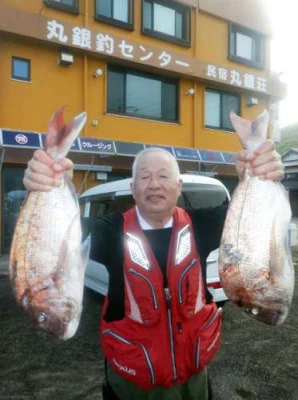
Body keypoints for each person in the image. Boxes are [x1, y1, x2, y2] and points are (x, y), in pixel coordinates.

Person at [23, 141, 284, 400]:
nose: (154, 184)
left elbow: (253, 215)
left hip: (193, 378)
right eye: (144, 177)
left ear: (178, 186)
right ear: (133, 189)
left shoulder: (201, 225)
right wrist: (50, 188)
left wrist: (260, 176)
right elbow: (59, 237)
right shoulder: (112, 231)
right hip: (131, 383)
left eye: (163, 176)